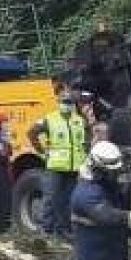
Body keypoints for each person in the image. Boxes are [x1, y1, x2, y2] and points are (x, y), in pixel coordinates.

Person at [28, 88, 89, 239]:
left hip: (74, 167)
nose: (67, 105)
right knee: (50, 198)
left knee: (69, 200)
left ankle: (64, 230)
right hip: (55, 166)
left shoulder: (80, 120)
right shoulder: (50, 119)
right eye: (64, 102)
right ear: (59, 102)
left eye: (69, 102)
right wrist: (41, 151)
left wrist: (86, 156)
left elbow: (86, 140)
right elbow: (32, 133)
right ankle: (46, 230)